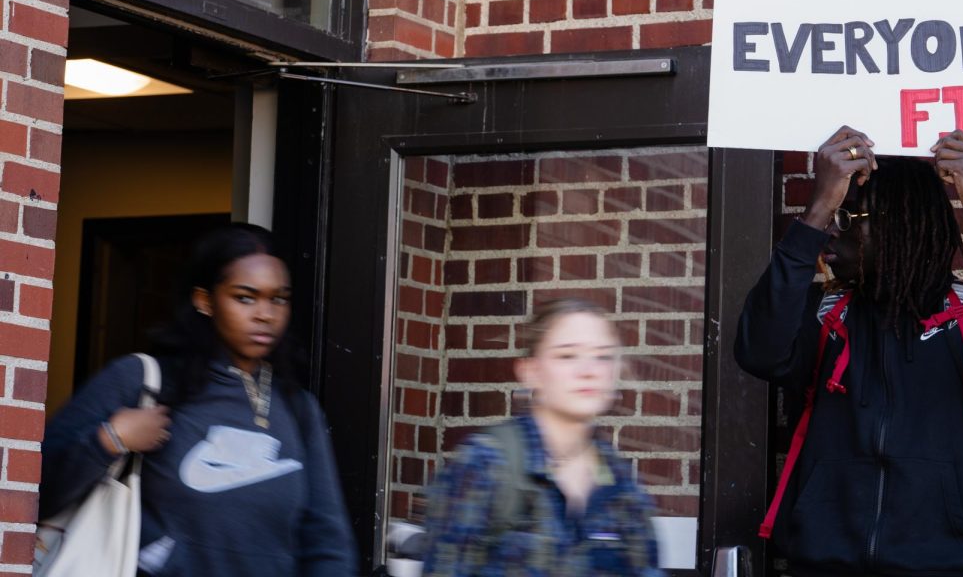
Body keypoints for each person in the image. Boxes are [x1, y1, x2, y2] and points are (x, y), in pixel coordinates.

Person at [735, 126, 963, 577]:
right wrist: (817, 210)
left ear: (894, 226)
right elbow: (757, 351)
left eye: (845, 219)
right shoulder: (824, 315)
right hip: (823, 565)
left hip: (945, 567)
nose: (831, 236)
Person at [39, 223, 356, 576]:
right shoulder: (143, 381)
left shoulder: (299, 409)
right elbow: (32, 495)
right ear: (205, 301)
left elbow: (327, 541)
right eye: (245, 297)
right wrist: (108, 440)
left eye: (278, 298)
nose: (265, 314)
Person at [422, 298, 664, 576]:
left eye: (602, 355)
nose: (588, 370)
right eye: (567, 355)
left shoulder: (620, 484)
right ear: (531, 371)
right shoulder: (486, 464)